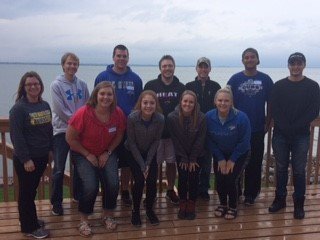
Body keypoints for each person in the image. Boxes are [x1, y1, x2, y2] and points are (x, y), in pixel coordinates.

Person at [66, 82, 126, 237]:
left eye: (109, 94)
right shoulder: (83, 113)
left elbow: (119, 134)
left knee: (113, 183)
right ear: (96, 95)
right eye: (102, 94)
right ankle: (84, 219)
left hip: (107, 151)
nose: (105, 97)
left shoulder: (118, 113)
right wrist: (87, 154)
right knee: (91, 185)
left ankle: (107, 214)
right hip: (82, 152)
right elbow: (70, 138)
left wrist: (108, 152)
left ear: (113, 97)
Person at [268, 52, 320, 219]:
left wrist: (295, 126)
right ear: (288, 65)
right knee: (281, 169)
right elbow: (274, 108)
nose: (296, 66)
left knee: (299, 171)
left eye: (299, 63)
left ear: (304, 65)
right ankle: (280, 200)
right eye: (293, 63)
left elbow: (313, 110)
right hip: (280, 135)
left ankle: (299, 204)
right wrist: (285, 125)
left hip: (301, 135)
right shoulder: (278, 85)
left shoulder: (313, 86)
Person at [95, 44, 143, 206]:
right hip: (106, 128)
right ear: (113, 57)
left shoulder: (136, 79)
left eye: (124, 56)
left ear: (128, 58)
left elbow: (139, 104)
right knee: (107, 160)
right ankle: (107, 191)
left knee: (126, 162)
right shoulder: (102, 77)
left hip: (129, 128)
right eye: (119, 56)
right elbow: (95, 101)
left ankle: (124, 190)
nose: (121, 59)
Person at [227, 48, 273, 206]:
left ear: (258, 60)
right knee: (237, 161)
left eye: (252, 57)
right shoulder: (234, 79)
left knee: (254, 162)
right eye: (246, 57)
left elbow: (271, 103)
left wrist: (268, 122)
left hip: (257, 129)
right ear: (243, 61)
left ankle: (251, 194)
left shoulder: (266, 79)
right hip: (238, 130)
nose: (249, 59)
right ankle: (236, 191)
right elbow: (226, 100)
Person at [9, 71, 52, 239]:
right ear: (24, 87)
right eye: (29, 84)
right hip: (27, 160)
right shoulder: (19, 108)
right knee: (26, 193)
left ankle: (29, 219)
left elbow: (48, 130)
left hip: (42, 156)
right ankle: (29, 227)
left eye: (36, 84)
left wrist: (50, 150)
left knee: (31, 191)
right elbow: (16, 136)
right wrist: (26, 159)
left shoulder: (44, 105)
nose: (33, 86)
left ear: (40, 86)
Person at [50, 52, 90, 216]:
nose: (72, 66)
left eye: (75, 64)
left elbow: (88, 105)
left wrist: (82, 125)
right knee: (59, 169)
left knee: (79, 166)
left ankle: (78, 196)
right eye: (69, 63)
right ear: (63, 65)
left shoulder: (82, 84)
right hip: (62, 131)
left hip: (79, 133)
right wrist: (77, 123)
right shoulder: (56, 85)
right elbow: (60, 109)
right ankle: (56, 203)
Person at [144, 55, 185, 205]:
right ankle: (152, 192)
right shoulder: (151, 85)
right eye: (164, 66)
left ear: (174, 67)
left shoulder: (181, 87)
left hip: (173, 134)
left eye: (170, 66)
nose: (167, 68)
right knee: (153, 164)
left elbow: (184, 108)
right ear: (160, 68)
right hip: (155, 134)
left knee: (171, 163)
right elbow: (144, 106)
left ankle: (169, 191)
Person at [206, 87, 251, 220]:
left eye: (226, 100)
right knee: (220, 178)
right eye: (220, 100)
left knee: (230, 179)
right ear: (215, 101)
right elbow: (208, 139)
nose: (223, 103)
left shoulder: (241, 117)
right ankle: (223, 204)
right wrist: (220, 158)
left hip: (239, 153)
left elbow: (245, 141)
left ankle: (233, 206)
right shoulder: (209, 117)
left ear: (231, 102)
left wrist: (232, 159)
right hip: (220, 153)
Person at [125, 90, 165, 226]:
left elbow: (156, 141)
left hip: (150, 152)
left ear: (156, 104)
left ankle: (149, 209)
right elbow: (131, 142)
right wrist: (143, 166)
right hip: (133, 152)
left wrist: (148, 163)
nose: (148, 106)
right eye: (145, 103)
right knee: (140, 180)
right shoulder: (132, 118)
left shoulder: (160, 119)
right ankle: (135, 210)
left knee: (152, 181)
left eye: (152, 103)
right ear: (140, 104)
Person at [167, 90, 207, 220]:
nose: (188, 104)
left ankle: (191, 203)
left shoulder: (201, 117)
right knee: (183, 177)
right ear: (180, 102)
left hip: (197, 154)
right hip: (181, 153)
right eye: (185, 101)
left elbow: (200, 139)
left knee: (194, 178)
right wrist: (184, 157)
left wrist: (193, 158)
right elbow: (175, 139)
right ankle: (182, 202)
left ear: (195, 104)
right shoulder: (172, 117)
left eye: (191, 102)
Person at [186, 57, 221, 201]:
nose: (203, 69)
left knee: (206, 162)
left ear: (210, 69)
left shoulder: (215, 86)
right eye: (200, 67)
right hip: (191, 130)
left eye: (206, 67)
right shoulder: (189, 86)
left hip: (209, 130)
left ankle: (203, 189)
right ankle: (190, 188)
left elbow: (220, 107)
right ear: (196, 68)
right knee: (191, 161)